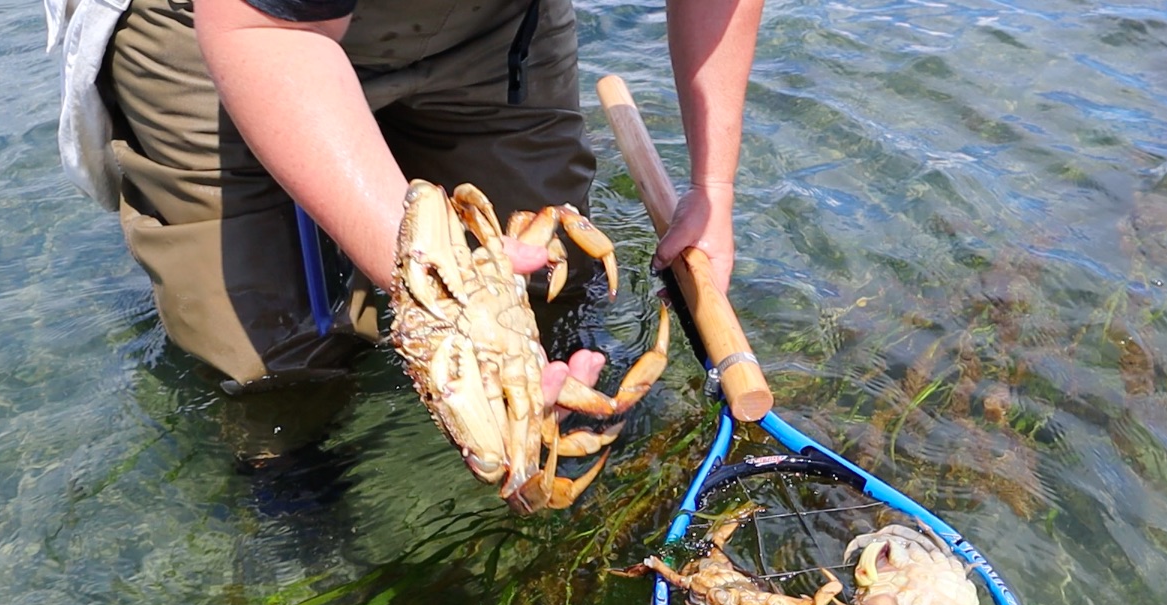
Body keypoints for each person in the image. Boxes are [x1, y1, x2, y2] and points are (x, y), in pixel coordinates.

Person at [45, 0, 763, 460]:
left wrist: (714, 187)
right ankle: (301, 537)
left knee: (554, 286)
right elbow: (264, 30)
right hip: (230, 21)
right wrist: (440, 294)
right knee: (276, 367)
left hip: (489, 22)